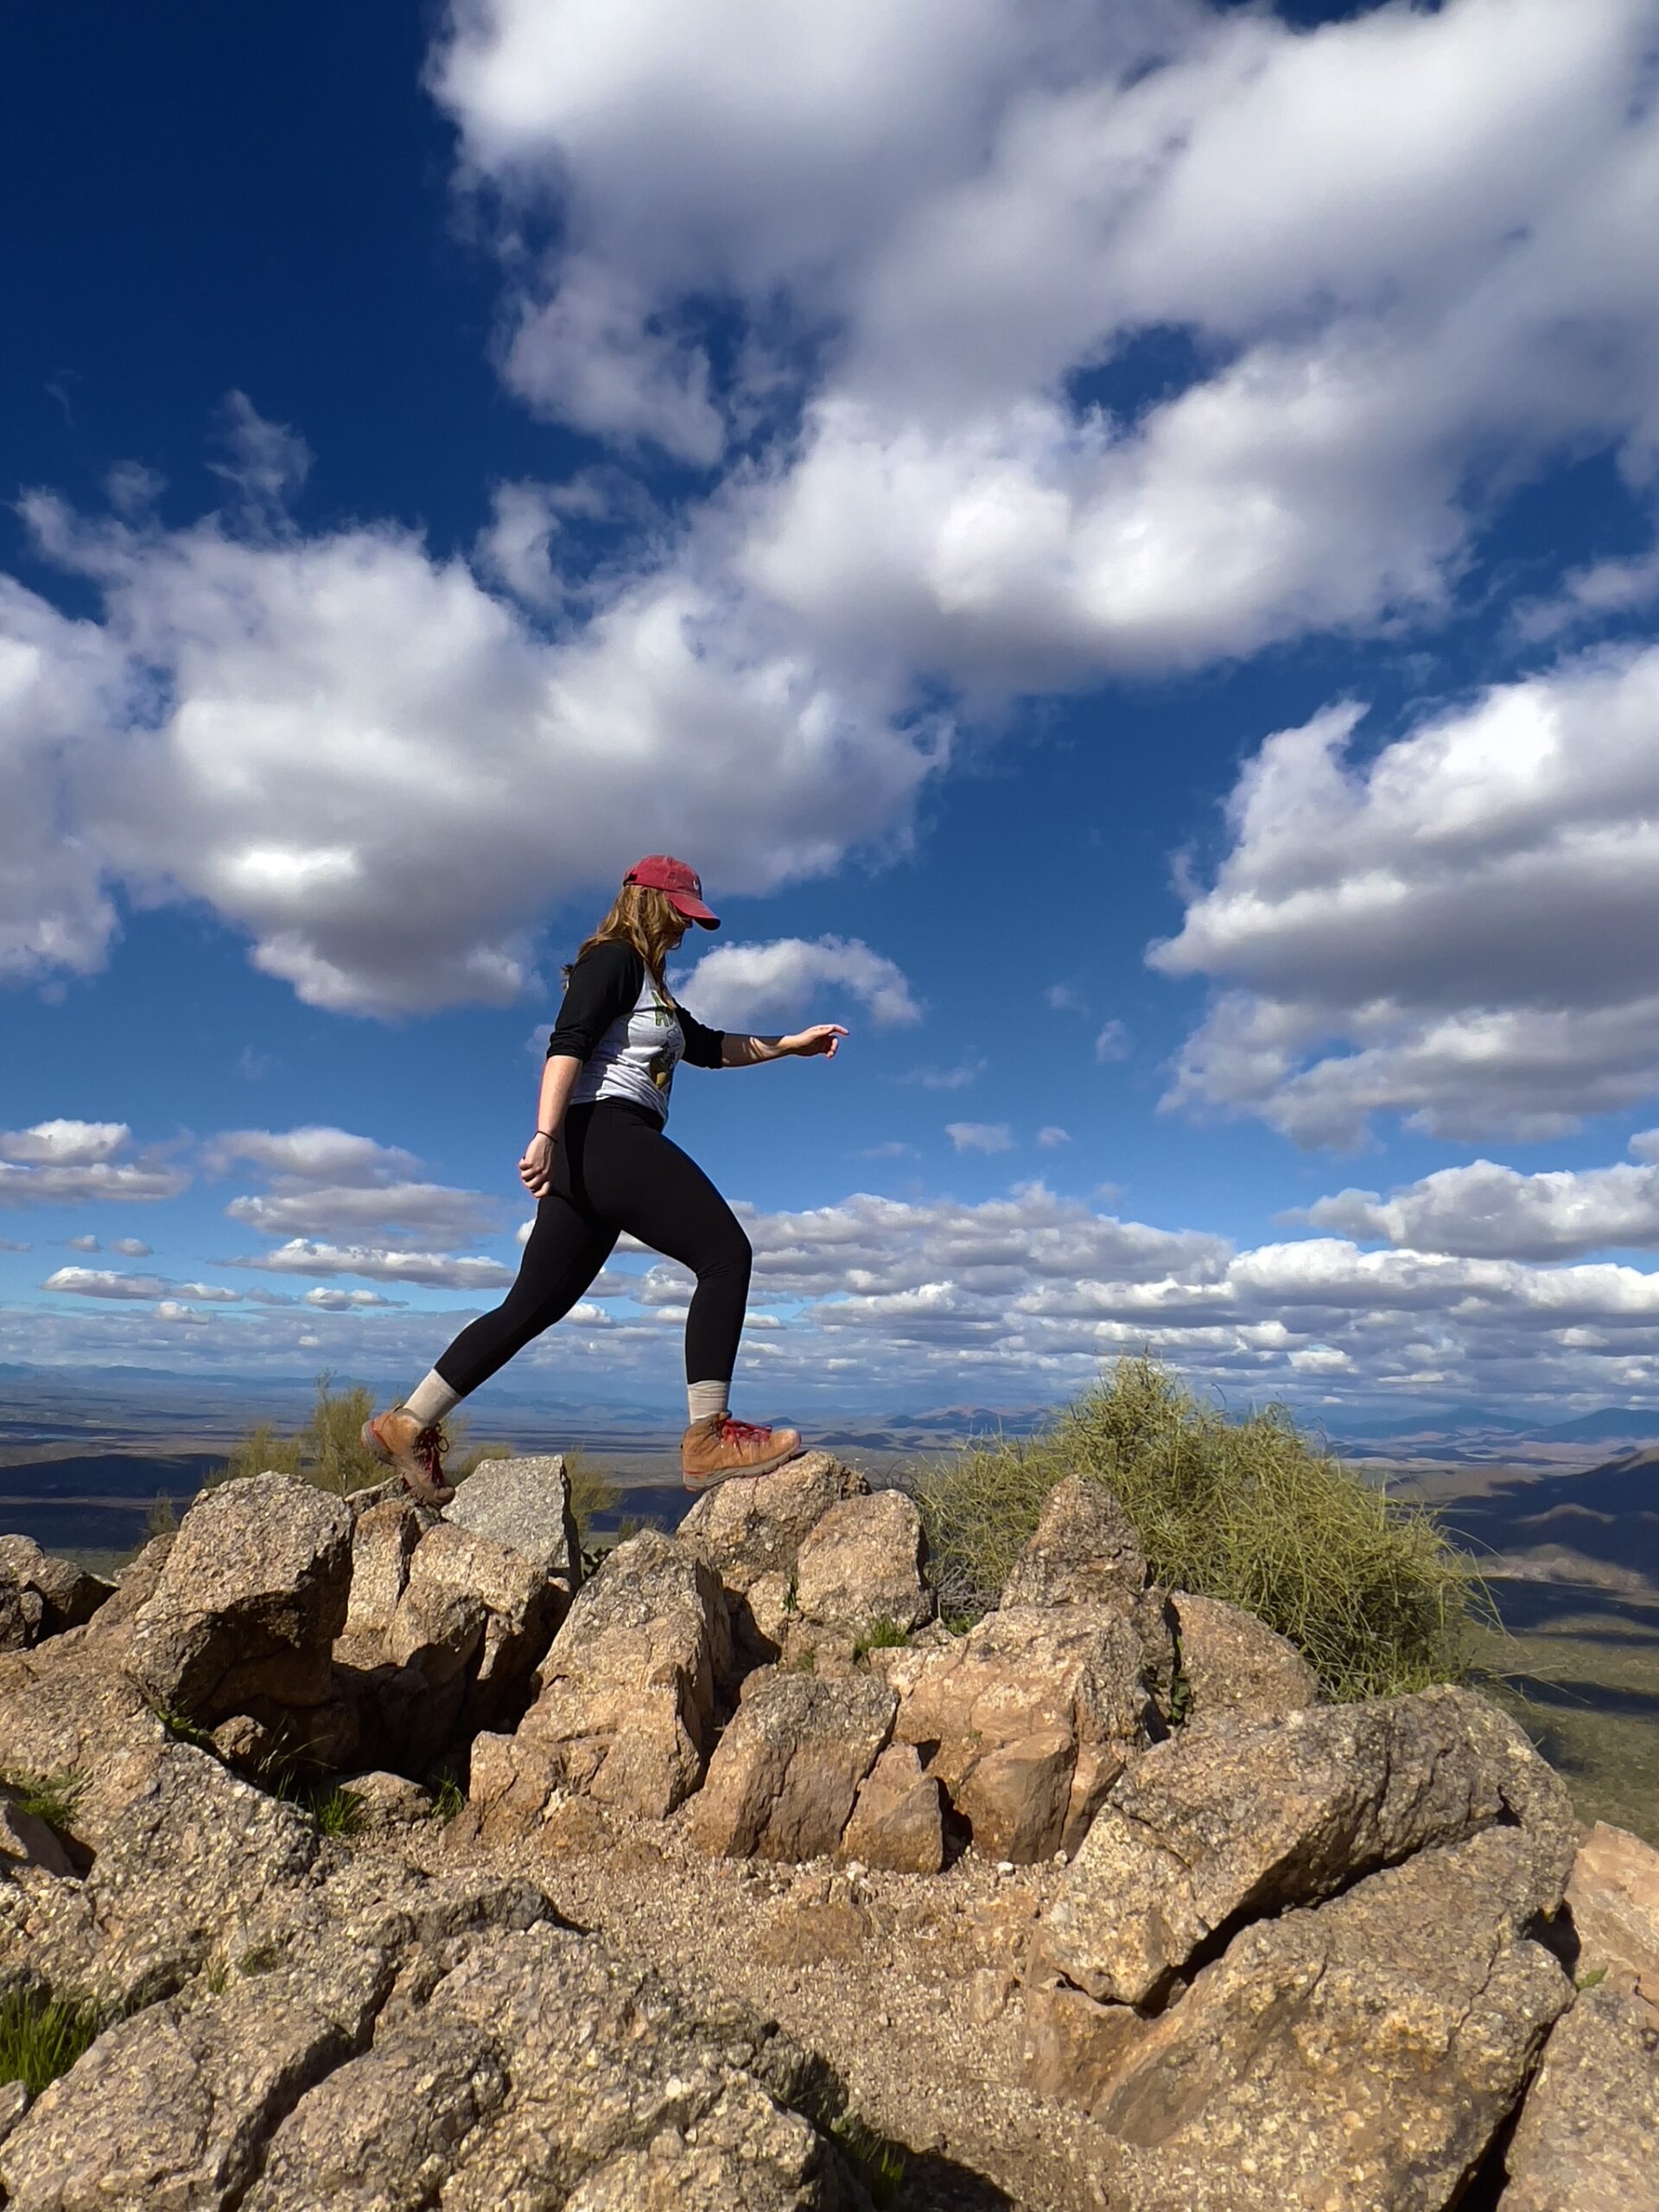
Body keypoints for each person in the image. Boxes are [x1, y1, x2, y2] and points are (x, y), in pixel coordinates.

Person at [362, 855, 846, 1507]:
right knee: (726, 1255)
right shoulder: (614, 959)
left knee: (533, 1305)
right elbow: (569, 1040)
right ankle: (707, 1439)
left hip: (594, 1147)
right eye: (681, 915)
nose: (684, 932)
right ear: (650, 902)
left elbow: (708, 1047)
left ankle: (407, 1422)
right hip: (604, 1135)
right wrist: (545, 1133)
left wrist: (790, 1044)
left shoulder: (652, 988)